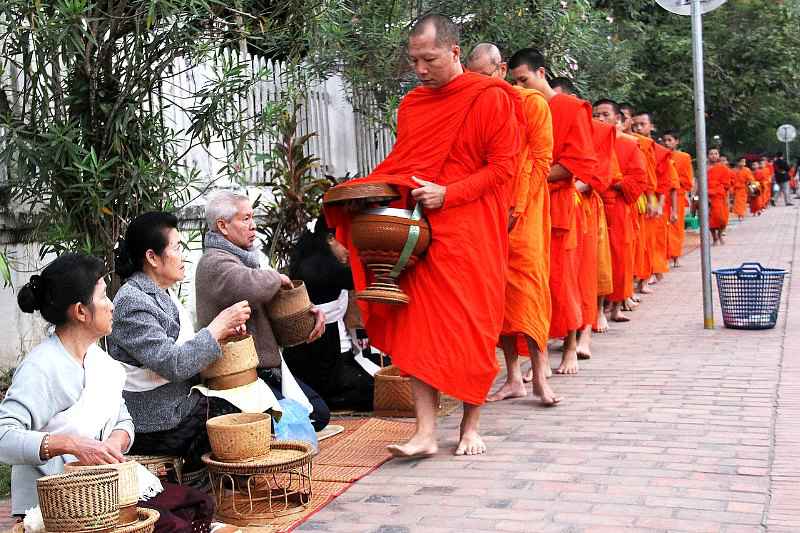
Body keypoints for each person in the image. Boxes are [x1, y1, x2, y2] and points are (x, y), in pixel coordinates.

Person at [326, 15, 523, 457]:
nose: (420, 69)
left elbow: (503, 169)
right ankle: (425, 433)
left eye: (429, 59)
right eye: (414, 59)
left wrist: (449, 193)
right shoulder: (413, 104)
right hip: (422, 233)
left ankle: (470, 426)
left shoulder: (492, 97)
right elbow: (403, 163)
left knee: (471, 327)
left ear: (454, 52)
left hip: (472, 230)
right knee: (418, 327)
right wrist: (360, 193)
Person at [0, 254, 215, 532]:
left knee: (197, 504)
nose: (112, 306)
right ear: (81, 311)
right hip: (61, 505)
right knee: (173, 527)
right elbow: (4, 436)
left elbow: (123, 419)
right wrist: (72, 445)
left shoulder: (99, 361)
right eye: (104, 297)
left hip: (105, 489)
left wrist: (113, 443)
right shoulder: (41, 368)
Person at [107, 211, 254, 479]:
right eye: (176, 248)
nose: (183, 255)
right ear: (152, 257)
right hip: (152, 417)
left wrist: (224, 334)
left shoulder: (162, 292)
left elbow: (186, 349)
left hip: (179, 397)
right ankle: (192, 483)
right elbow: (173, 363)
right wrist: (217, 327)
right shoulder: (131, 301)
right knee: (232, 418)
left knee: (251, 407)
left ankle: (208, 482)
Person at [466, 43, 559, 405]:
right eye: (473, 79)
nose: (480, 85)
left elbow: (541, 159)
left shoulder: (531, 104)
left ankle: (539, 376)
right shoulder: (475, 108)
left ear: (500, 70)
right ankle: (513, 375)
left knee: (530, 292)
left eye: (485, 76)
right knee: (498, 297)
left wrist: (518, 206)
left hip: (526, 213)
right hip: (489, 213)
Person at [194, 192, 330, 430]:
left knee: (317, 412)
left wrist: (308, 313)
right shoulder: (213, 262)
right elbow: (251, 285)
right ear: (223, 226)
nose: (253, 226)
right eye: (245, 218)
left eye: (253, 217)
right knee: (303, 419)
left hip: (268, 368)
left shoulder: (248, 258)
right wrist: (276, 277)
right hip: (237, 374)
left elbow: (274, 296)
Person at [508, 47, 598, 375]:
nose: (520, 87)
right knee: (532, 284)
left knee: (562, 281)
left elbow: (577, 164)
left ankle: (571, 348)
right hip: (525, 205)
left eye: (524, 80)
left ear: (542, 73)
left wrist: (530, 175)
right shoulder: (519, 109)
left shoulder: (571, 109)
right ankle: (538, 355)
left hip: (558, 205)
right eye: (515, 82)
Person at [283, 217, 376, 412]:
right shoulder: (319, 266)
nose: (350, 251)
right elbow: (359, 279)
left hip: (328, 348)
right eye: (348, 244)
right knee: (370, 392)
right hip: (318, 354)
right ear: (331, 239)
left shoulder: (316, 260)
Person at [593, 99, 647, 324]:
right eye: (596, 114)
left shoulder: (628, 144)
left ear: (618, 118)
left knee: (620, 258)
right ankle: (596, 310)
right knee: (596, 260)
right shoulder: (590, 140)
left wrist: (614, 181)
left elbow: (638, 178)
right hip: (594, 204)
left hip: (619, 208)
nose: (600, 119)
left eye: (606, 114)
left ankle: (616, 305)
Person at [662, 131, 694, 267]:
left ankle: (675, 256)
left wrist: (673, 179)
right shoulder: (660, 155)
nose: (667, 143)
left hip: (678, 196)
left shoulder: (684, 157)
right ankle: (664, 257)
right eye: (665, 140)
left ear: (677, 141)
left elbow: (688, 180)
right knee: (663, 228)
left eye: (670, 140)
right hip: (663, 196)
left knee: (676, 227)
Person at [707, 149, 730, 245]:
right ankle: (714, 237)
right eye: (711, 154)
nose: (713, 155)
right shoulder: (704, 168)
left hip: (720, 197)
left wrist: (727, 198)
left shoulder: (723, 168)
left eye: (715, 154)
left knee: (722, 219)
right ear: (708, 155)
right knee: (709, 220)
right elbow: (699, 182)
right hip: (707, 196)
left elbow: (727, 185)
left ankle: (720, 234)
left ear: (718, 155)